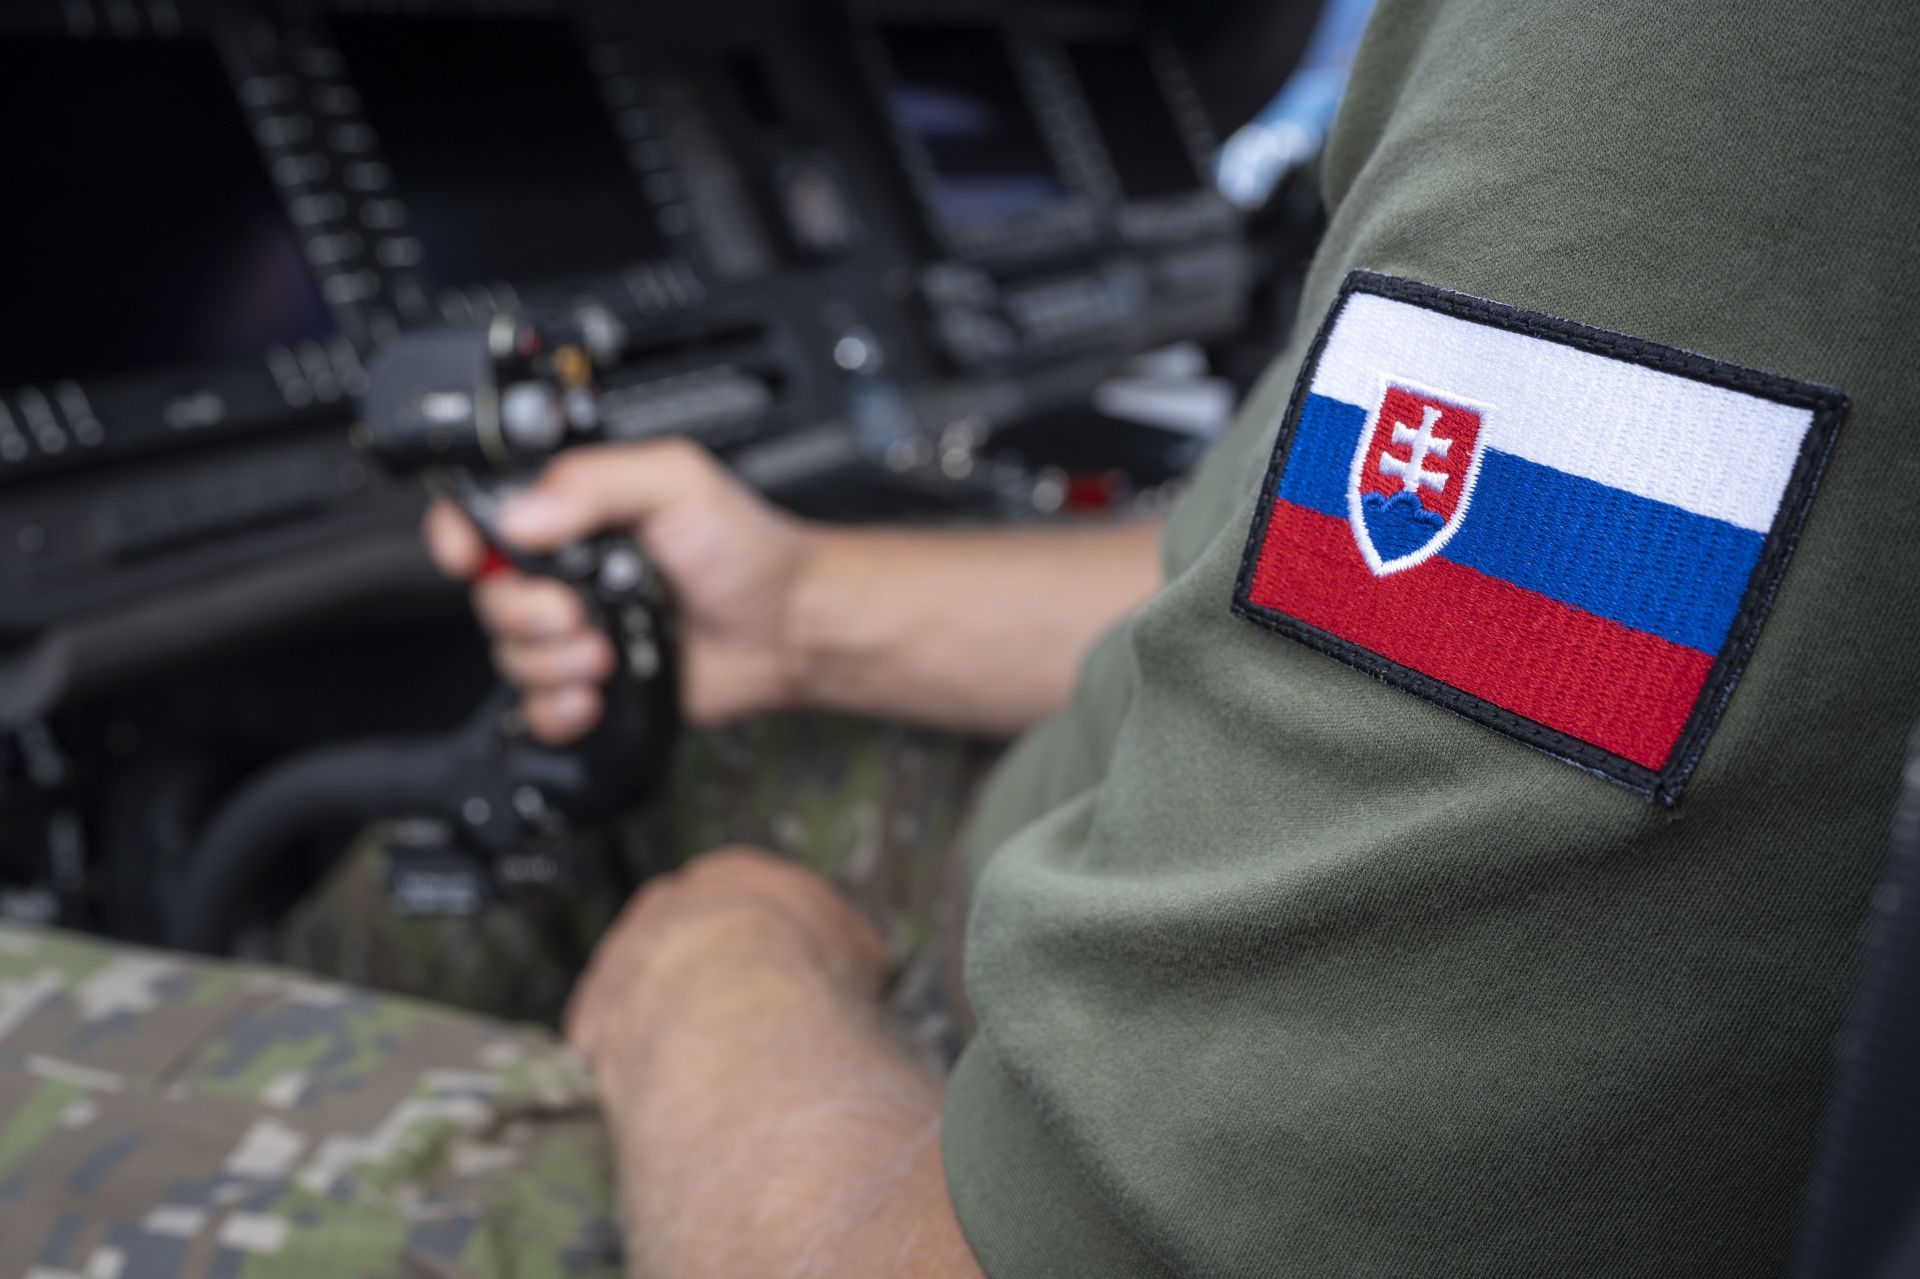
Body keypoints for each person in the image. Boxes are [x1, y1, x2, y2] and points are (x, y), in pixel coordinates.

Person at [5, 0, 1918, 1274]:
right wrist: (804, 613)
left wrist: (714, 975)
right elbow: (1405, 600)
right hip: (1143, 917)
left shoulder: (1705, 76)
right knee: (624, 786)